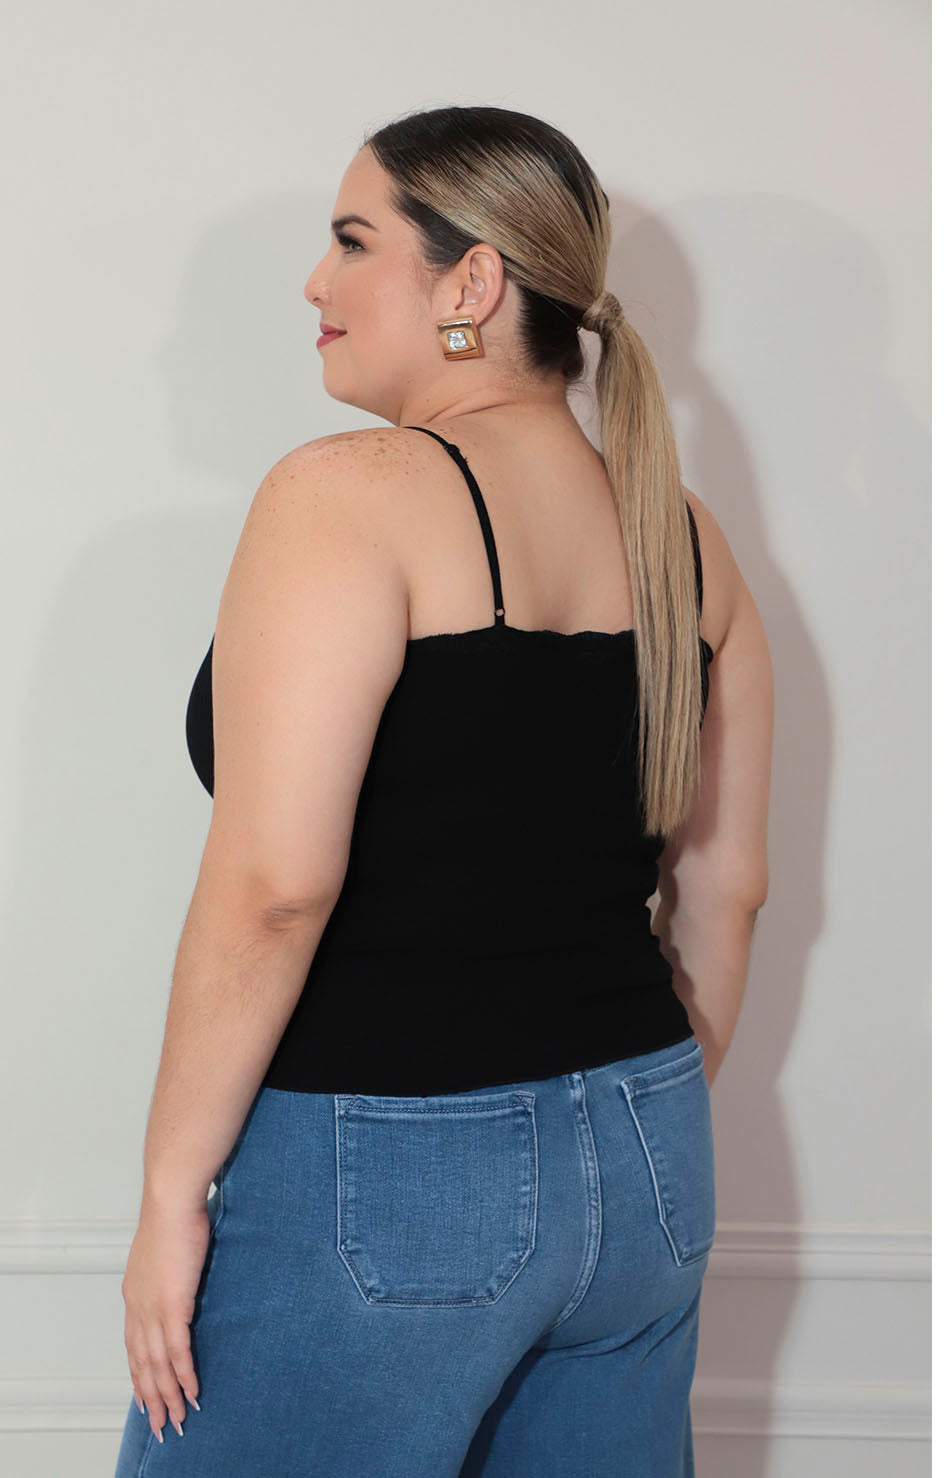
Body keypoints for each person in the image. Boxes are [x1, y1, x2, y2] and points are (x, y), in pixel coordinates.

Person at [114, 104, 773, 1477]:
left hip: (389, 1173)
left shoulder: (345, 496)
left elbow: (275, 890)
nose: (317, 280)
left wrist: (172, 1190)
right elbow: (727, 887)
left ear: (471, 284)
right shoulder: (684, 536)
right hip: (649, 1152)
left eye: (353, 241)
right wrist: (604, 1125)